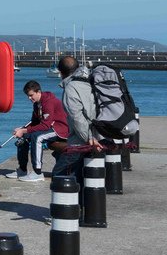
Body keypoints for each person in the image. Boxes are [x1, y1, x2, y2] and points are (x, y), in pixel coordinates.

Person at [52, 55, 102, 184]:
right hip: (98, 135)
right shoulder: (88, 81)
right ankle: (81, 204)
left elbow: (77, 119)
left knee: (60, 175)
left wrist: (89, 139)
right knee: (82, 178)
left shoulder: (71, 88)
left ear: (60, 72)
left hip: (80, 142)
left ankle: (73, 204)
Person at [8, 80, 68, 182]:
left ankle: (37, 173)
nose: (29, 98)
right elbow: (34, 122)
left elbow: (45, 125)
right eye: (28, 96)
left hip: (60, 129)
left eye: (31, 95)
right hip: (49, 128)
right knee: (24, 137)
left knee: (37, 137)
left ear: (38, 92)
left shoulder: (48, 102)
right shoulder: (37, 104)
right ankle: (22, 170)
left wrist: (25, 130)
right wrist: (22, 129)